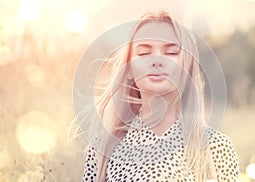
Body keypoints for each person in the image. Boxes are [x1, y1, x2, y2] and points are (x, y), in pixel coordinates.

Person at [79, 11, 240, 181]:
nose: (156, 60)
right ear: (128, 70)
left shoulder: (217, 146)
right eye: (143, 53)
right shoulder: (102, 148)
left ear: (188, 67)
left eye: (171, 52)